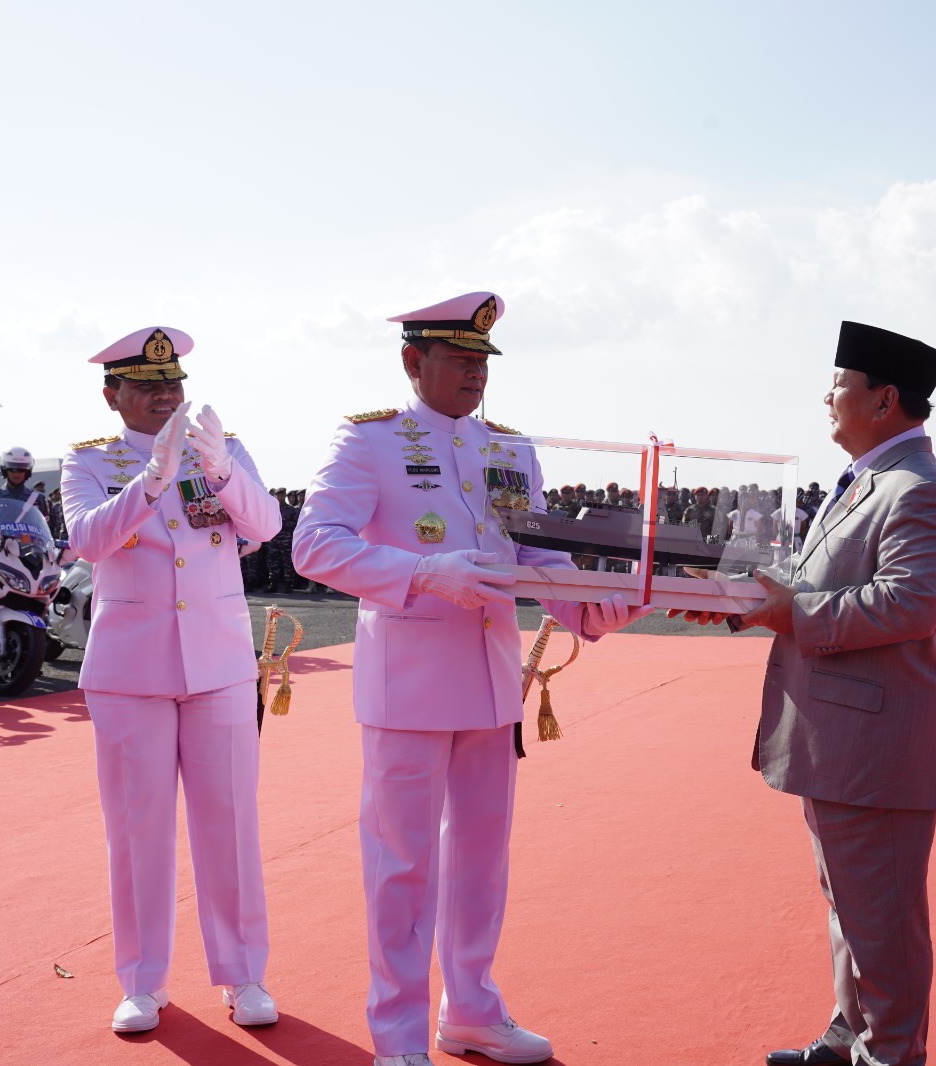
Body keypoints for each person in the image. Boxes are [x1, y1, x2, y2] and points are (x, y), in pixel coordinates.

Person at [291, 292, 647, 1066]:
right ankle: (397, 1038)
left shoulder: (510, 451)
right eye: (460, 359)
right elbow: (314, 546)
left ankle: (473, 1010)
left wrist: (591, 605)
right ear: (413, 361)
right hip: (409, 685)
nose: (476, 374)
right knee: (402, 865)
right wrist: (422, 572)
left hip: (490, 685)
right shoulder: (369, 444)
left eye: (484, 361)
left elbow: (538, 555)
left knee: (482, 859)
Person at [675, 320, 936, 1066]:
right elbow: (822, 585)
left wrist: (788, 611)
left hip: (877, 742)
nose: (827, 398)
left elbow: (911, 603)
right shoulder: (871, 479)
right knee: (852, 906)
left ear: (885, 399)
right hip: (842, 736)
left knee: (884, 921)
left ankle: (890, 1054)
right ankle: (852, 1032)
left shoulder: (916, 490)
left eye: (839, 385)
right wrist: (748, 599)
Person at [60, 325, 283, 1034]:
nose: (165, 395)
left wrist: (219, 470)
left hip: (217, 663)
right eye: (149, 385)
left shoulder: (223, 448)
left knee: (231, 825)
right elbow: (89, 539)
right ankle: (142, 980)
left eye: (174, 384)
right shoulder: (88, 462)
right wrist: (150, 481)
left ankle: (244, 975)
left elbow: (267, 525)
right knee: (137, 830)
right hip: (131, 670)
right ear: (112, 394)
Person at [0, 446, 50, 524]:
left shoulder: (39, 499)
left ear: (27, 472)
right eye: (12, 470)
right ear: (4, 470)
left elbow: (46, 531)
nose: (16, 474)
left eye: (21, 470)